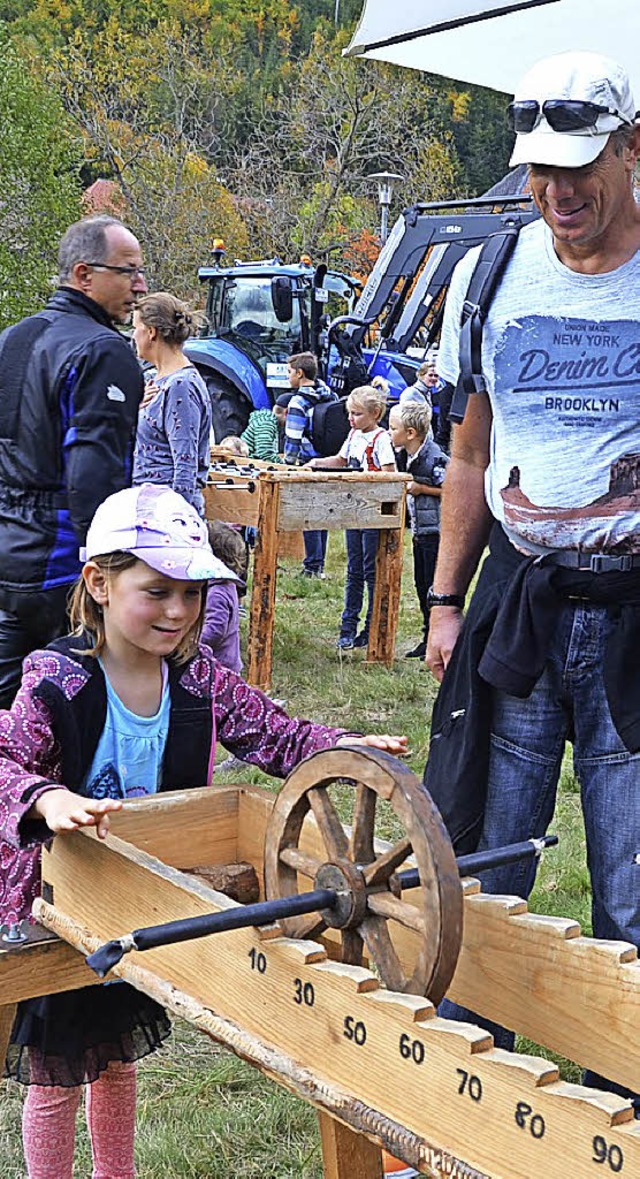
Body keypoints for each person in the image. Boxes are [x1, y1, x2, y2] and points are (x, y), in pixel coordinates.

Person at [0, 482, 407, 1179]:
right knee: (58, 1075)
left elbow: (277, 735)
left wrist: (345, 743)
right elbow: (4, 761)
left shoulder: (199, 681)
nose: (178, 610)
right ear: (99, 582)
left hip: (144, 897)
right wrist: (47, 796)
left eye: (191, 594)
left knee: (117, 1058)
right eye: (157, 590)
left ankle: (116, 1174)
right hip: (56, 903)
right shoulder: (54, 679)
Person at [425, 50, 640, 1106]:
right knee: (482, 860)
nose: (559, 190)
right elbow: (467, 455)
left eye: (580, 163)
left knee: (633, 874)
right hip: (516, 601)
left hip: (636, 607)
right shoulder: (490, 273)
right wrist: (443, 599)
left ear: (630, 147)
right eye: (540, 170)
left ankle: (620, 1102)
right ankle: (472, 1089)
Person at [0, 214, 146, 709]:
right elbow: (95, 479)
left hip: (6, 553)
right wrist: (112, 573)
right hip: (61, 571)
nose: (140, 286)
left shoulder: (12, 338)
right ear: (84, 275)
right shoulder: (105, 351)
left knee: (7, 721)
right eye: (127, 271)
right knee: (70, 723)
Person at [310, 385, 396, 650]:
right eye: (350, 413)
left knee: (371, 571)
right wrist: (317, 463)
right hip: (353, 511)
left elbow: (389, 473)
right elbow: (340, 458)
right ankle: (347, 627)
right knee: (353, 570)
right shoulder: (354, 434)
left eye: (357, 414)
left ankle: (371, 628)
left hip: (371, 513)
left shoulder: (381, 439)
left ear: (375, 413)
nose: (351, 419)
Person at [132, 292, 212, 516]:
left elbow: (185, 465)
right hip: (146, 509)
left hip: (165, 516)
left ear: (151, 332)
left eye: (136, 328)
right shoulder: (155, 380)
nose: (133, 336)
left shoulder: (181, 386)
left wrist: (178, 523)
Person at [388, 402, 448, 659]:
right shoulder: (404, 456)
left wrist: (422, 490)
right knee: (421, 584)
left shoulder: (434, 458)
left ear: (410, 433)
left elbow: (451, 490)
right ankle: (427, 636)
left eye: (393, 428)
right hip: (419, 530)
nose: (389, 433)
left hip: (435, 531)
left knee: (433, 585)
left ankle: (437, 635)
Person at [284, 351, 338, 578]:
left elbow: (293, 437)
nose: (288, 377)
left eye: (289, 372)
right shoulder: (329, 394)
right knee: (322, 513)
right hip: (328, 459)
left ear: (299, 373)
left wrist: (287, 463)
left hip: (308, 462)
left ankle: (312, 566)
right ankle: (319, 563)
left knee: (308, 514)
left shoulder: (298, 401)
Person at [201, 519, 248, 674]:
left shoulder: (217, 592)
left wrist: (192, 642)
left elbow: (215, 630)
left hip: (220, 668)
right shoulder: (226, 584)